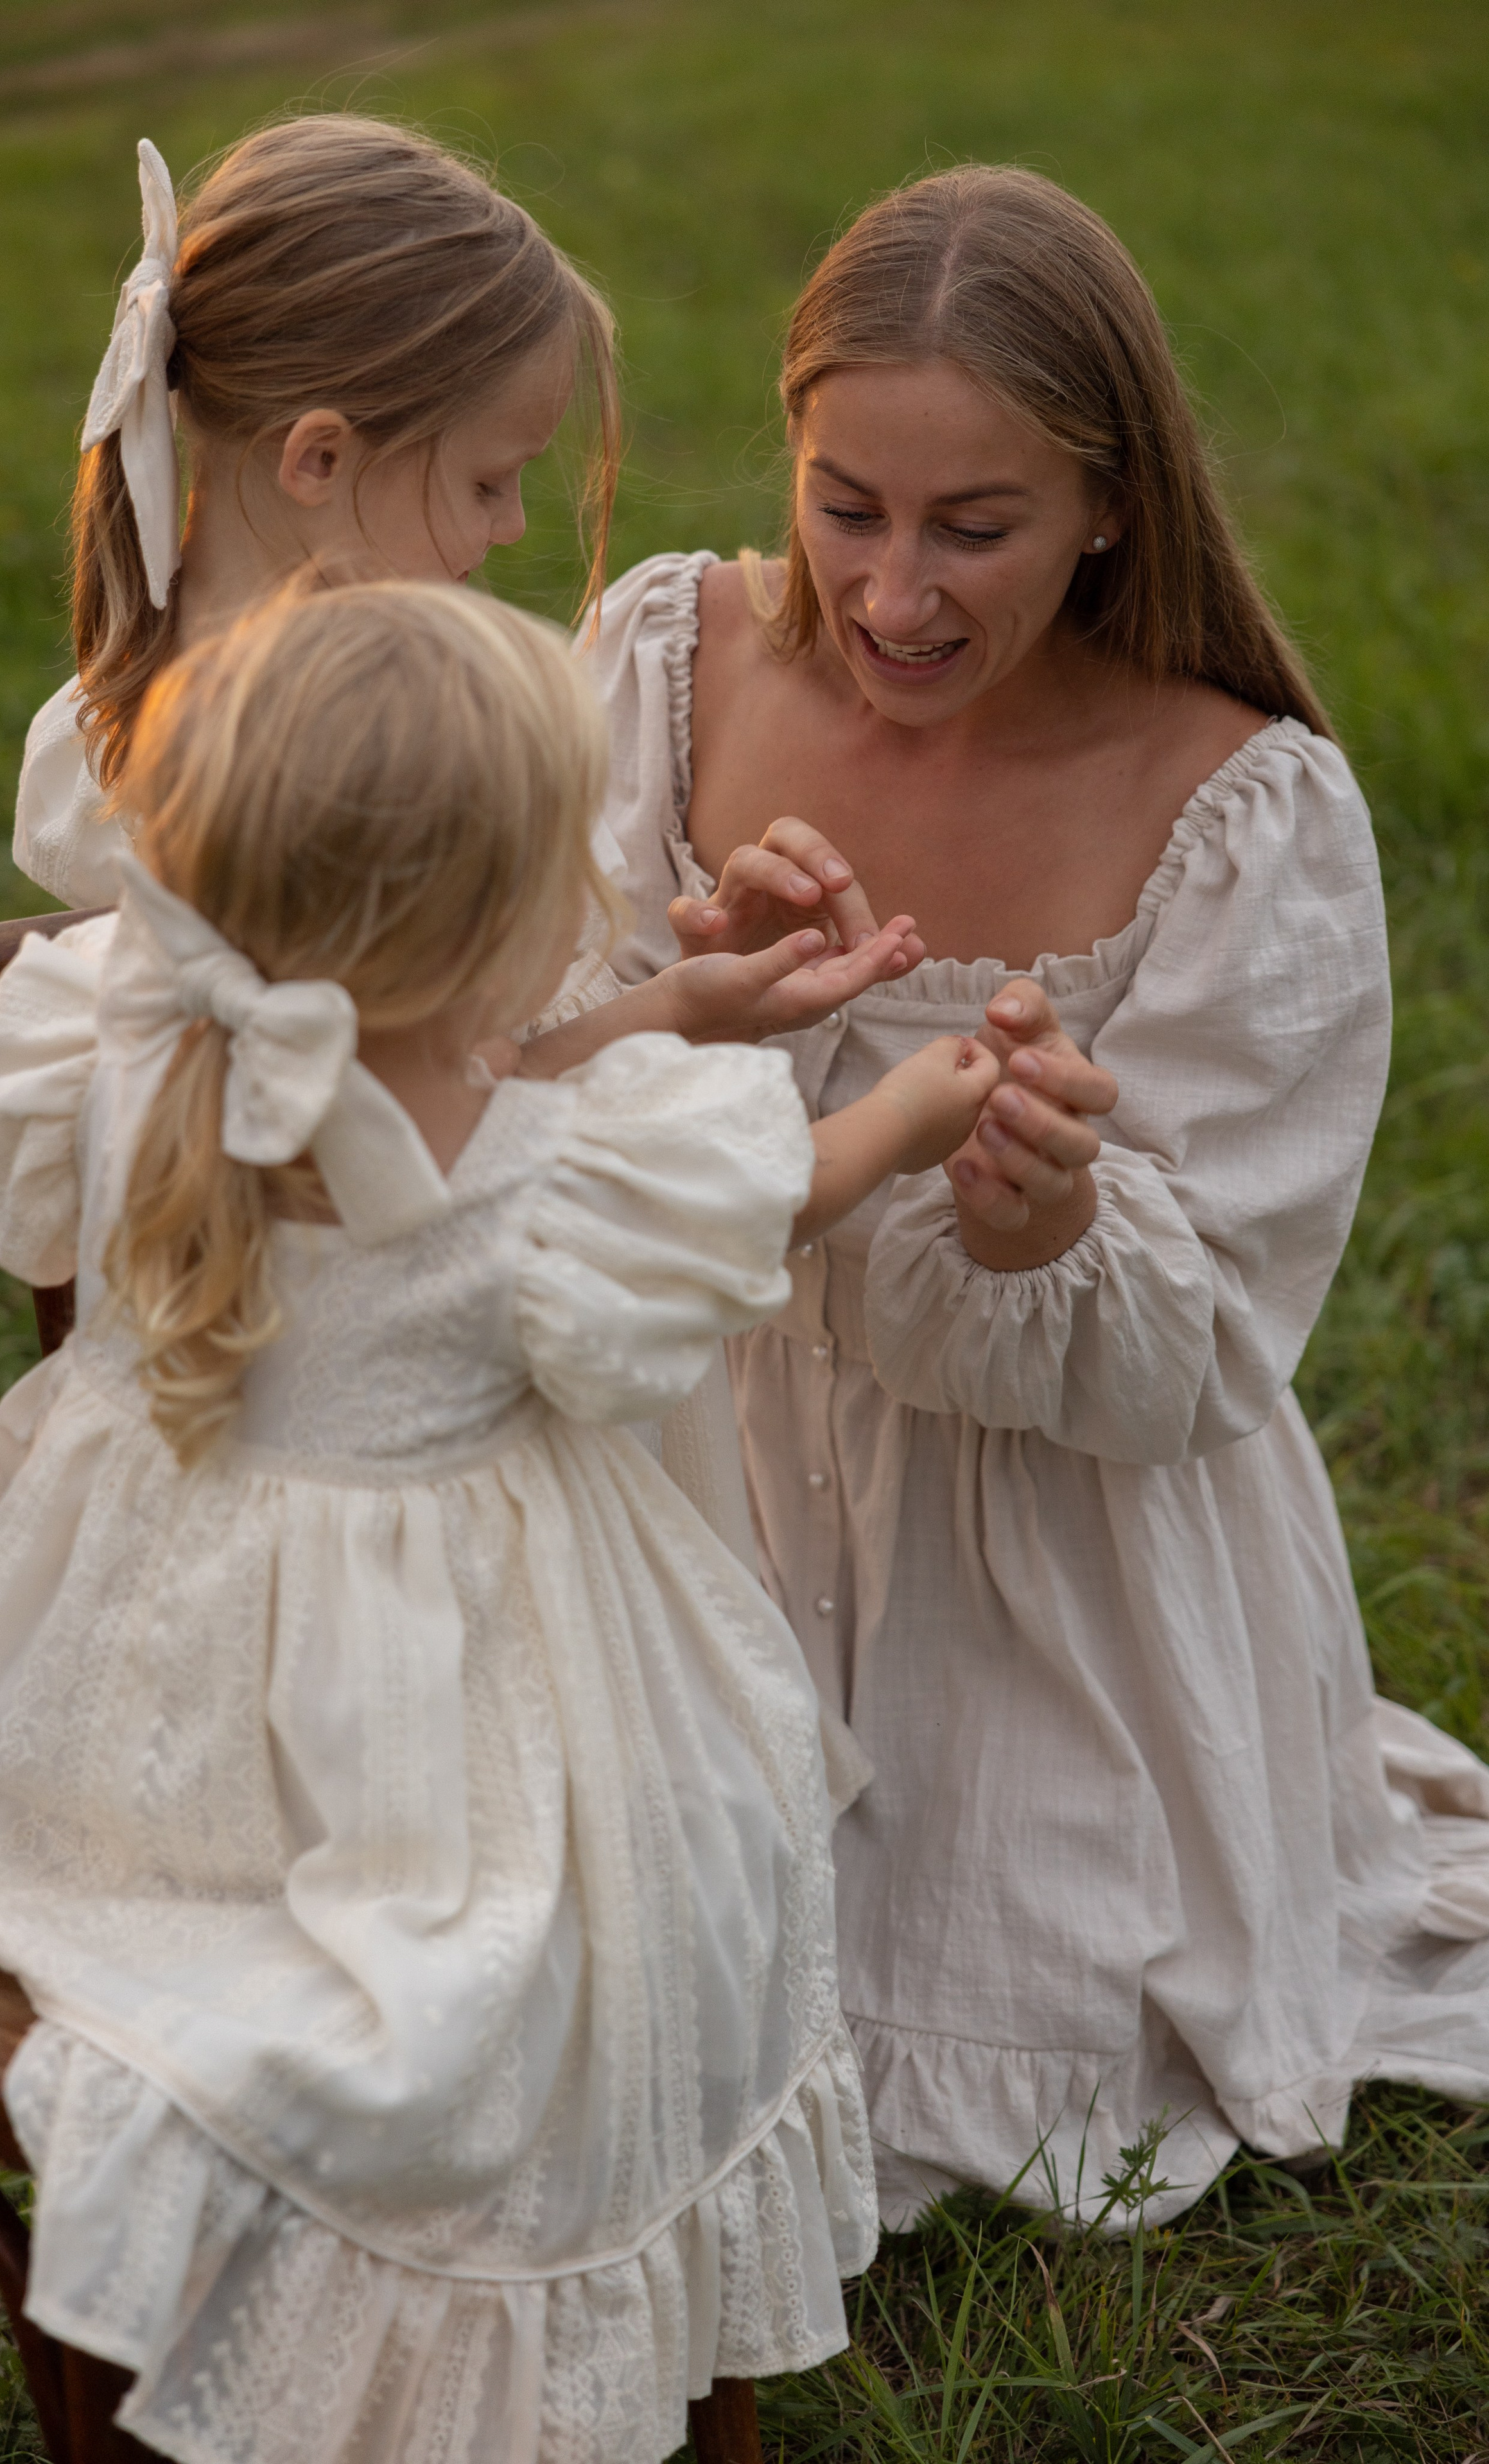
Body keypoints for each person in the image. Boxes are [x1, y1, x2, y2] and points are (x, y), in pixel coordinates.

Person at [0, 582, 1000, 2464]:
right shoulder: (546, 1183)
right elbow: (772, 1194)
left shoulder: (155, 1045)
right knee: (667, 1872)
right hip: (411, 1715)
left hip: (144, 1696)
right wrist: (923, 1108)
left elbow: (449, 1085)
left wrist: (667, 1004)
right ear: (500, 928)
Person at [589, 163, 1489, 2228]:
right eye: (848, 504)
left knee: (1010, 2021)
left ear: (1111, 502)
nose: (894, 594)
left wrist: (1040, 1234)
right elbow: (528, 1098)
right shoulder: (664, 661)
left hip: (1043, 1545)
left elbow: (1214, 1341)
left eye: (973, 527)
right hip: (687, 1469)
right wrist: (694, 1008)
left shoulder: (1238, 804)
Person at [12, 113, 925, 1579]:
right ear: (320, 456)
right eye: (493, 478)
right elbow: (434, 1164)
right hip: (408, 1472)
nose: (510, 529)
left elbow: (406, 1100)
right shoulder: (343, 778)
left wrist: (674, 1003)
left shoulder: (149, 725)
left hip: (266, 1429)